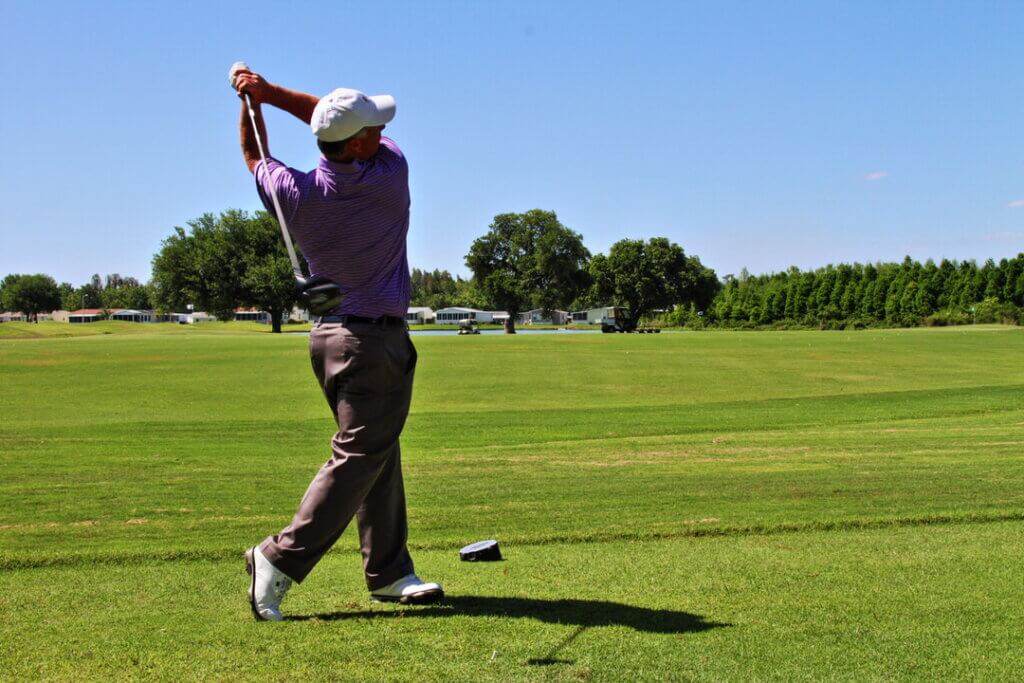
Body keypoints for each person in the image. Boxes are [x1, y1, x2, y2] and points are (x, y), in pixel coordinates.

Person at [232, 66, 443, 621]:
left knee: (378, 449)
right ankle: (278, 557)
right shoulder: (388, 175)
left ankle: (390, 570)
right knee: (361, 452)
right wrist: (271, 92)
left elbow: (257, 156)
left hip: (330, 339)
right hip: (373, 341)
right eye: (373, 125)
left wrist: (251, 100)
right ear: (360, 143)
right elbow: (320, 119)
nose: (382, 130)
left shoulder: (293, 196)